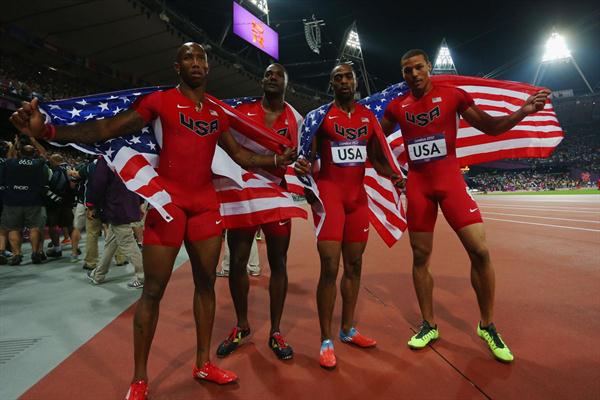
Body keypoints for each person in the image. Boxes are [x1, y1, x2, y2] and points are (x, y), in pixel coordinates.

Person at [10, 42, 296, 400]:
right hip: (169, 205)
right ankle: (140, 378)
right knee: (153, 291)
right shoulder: (159, 102)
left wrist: (274, 158)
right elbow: (105, 129)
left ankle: (203, 362)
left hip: (206, 207)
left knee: (206, 285)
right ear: (177, 67)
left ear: (207, 68)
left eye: (201, 58)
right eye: (188, 58)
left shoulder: (218, 112)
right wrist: (49, 132)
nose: (196, 63)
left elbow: (239, 155)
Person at [380, 49, 550, 363]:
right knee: (420, 256)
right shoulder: (396, 106)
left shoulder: (453, 96)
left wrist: (524, 110)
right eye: (407, 71)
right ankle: (428, 324)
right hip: (418, 187)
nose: (414, 74)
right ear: (402, 74)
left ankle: (487, 325)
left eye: (418, 68)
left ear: (428, 67)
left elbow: (492, 128)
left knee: (480, 251)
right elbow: (373, 140)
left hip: (450, 183)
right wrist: (388, 170)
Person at [294, 63, 401, 369]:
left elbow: (378, 160)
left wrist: (395, 176)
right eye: (337, 77)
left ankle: (348, 330)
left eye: (348, 77)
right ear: (331, 84)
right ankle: (325, 340)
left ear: (355, 82)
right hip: (331, 199)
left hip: (357, 200)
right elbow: (308, 156)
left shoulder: (369, 118)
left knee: (354, 265)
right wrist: (302, 165)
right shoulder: (319, 116)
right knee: (329, 267)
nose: (343, 81)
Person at [216, 64, 298, 361]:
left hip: (276, 195)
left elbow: (304, 159)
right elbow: (227, 146)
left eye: (277, 74)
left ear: (287, 82)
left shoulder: (296, 119)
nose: (271, 77)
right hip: (244, 194)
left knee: (278, 262)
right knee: (237, 261)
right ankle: (241, 326)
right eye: (267, 74)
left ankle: (275, 331)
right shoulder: (241, 113)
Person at [85, 157, 144, 288]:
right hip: (129, 202)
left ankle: (142, 276)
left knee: (128, 243)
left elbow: (98, 183)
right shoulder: (128, 155)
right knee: (110, 243)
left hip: (115, 206)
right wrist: (139, 203)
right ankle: (98, 274)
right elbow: (138, 180)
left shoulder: (106, 158)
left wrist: (91, 205)